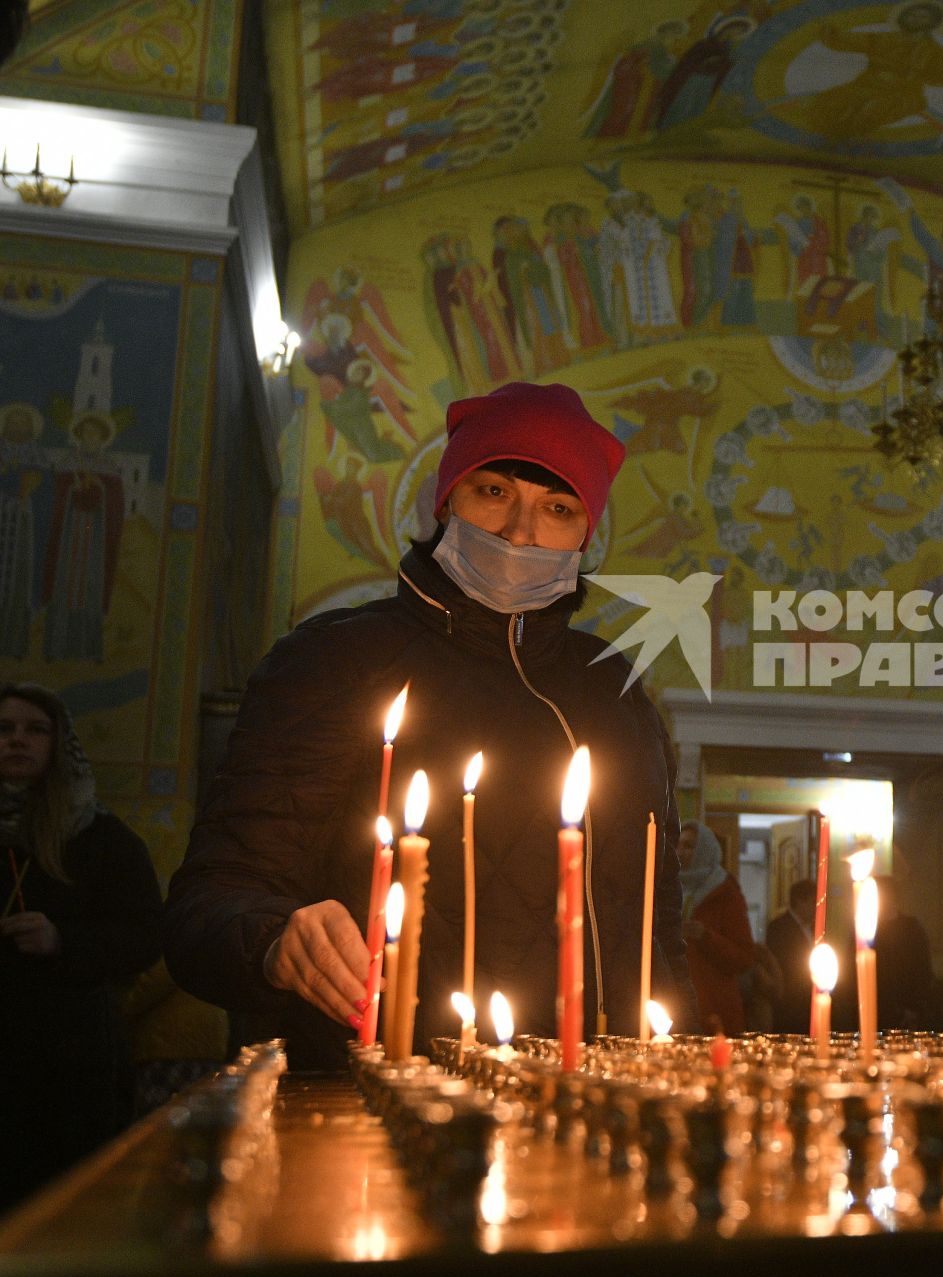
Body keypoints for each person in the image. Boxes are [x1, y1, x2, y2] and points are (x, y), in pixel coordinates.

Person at [165, 382, 689, 1068]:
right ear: (445, 503)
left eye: (557, 509)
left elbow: (657, 927)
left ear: (585, 536)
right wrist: (273, 939)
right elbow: (207, 906)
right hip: (391, 1097)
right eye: (493, 491)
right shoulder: (337, 661)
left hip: (592, 1107)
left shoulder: (613, 689)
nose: (520, 532)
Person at [0, 684, 163, 1210]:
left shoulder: (100, 840)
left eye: (34, 730)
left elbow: (144, 935)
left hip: (66, 1055)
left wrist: (62, 940)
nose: (17, 741)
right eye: (4, 729)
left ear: (57, 743)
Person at [679, 821, 753, 1034]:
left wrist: (705, 936)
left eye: (689, 846)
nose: (681, 852)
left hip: (714, 1006)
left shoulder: (725, 892)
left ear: (705, 849)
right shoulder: (669, 887)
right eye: (679, 845)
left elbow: (744, 956)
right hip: (678, 1001)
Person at [873, 874, 933, 1028]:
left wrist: (914, 1007)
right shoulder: (865, 931)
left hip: (905, 1008)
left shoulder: (911, 928)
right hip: (874, 1008)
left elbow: (922, 969)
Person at [764, 876, 814, 1033]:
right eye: (813, 903)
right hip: (790, 1000)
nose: (816, 908)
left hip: (809, 1000)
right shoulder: (779, 928)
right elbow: (781, 963)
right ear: (800, 901)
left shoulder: (814, 928)